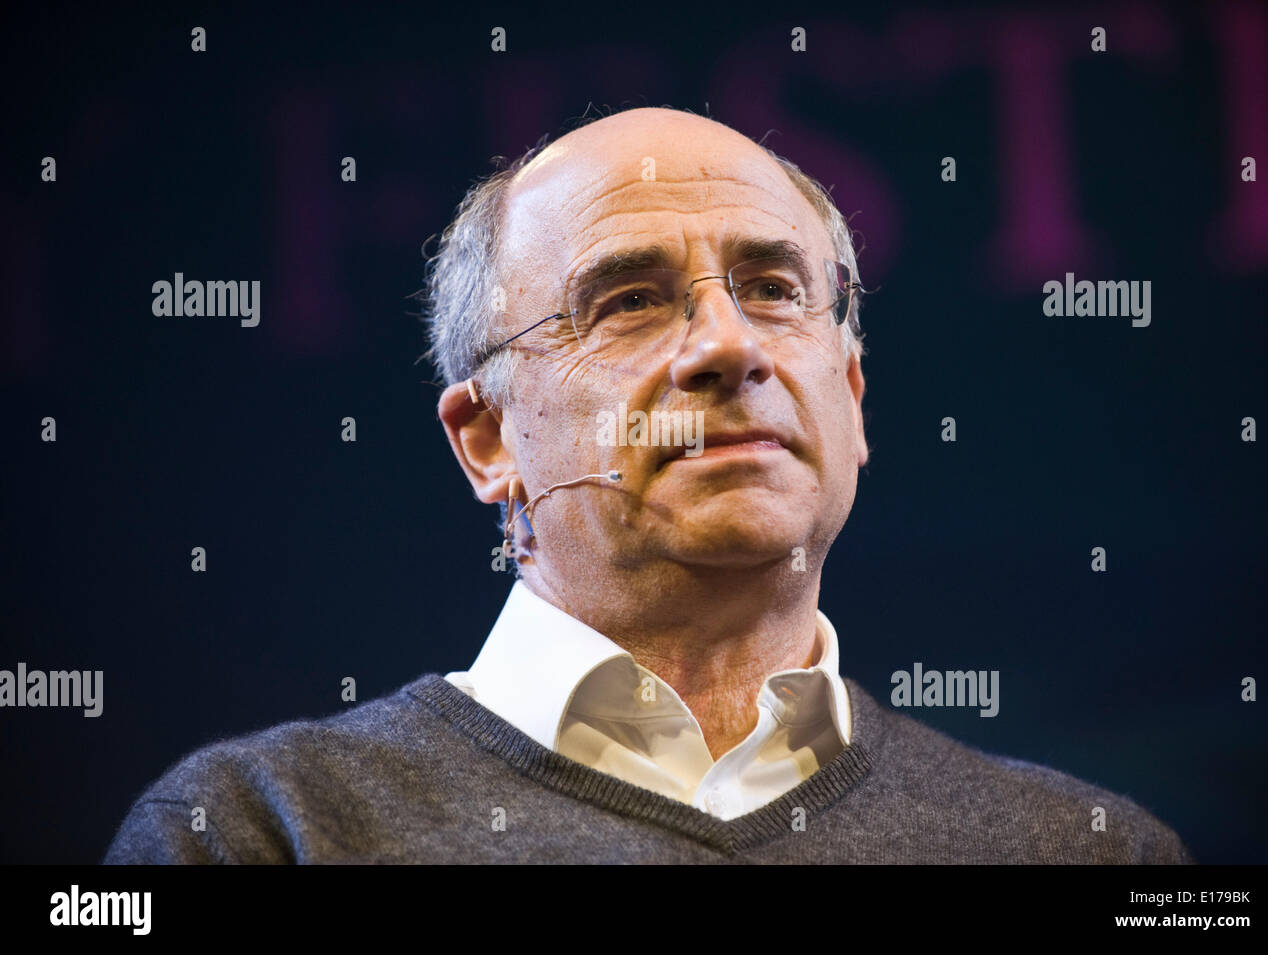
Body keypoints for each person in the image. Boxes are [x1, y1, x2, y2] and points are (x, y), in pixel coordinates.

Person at [104, 106, 1192, 863]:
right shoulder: (254, 831)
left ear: (852, 397)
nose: (728, 347)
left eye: (772, 287)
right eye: (627, 300)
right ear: (487, 439)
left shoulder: (1086, 850)